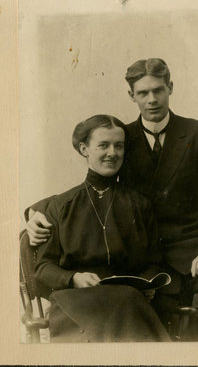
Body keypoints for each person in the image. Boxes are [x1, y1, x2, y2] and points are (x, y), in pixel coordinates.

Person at [25, 58, 198, 341]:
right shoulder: (122, 138)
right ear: (131, 96)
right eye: (143, 93)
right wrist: (33, 214)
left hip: (194, 252)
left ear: (170, 88)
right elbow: (88, 188)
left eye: (158, 90)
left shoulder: (197, 133)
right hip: (141, 260)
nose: (151, 99)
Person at [29, 114, 171, 343]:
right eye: (103, 145)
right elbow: (43, 267)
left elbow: (154, 260)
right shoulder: (59, 205)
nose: (112, 153)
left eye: (119, 146)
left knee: (127, 300)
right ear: (85, 149)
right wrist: (73, 278)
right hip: (75, 301)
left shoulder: (140, 204)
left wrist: (148, 283)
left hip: (128, 300)